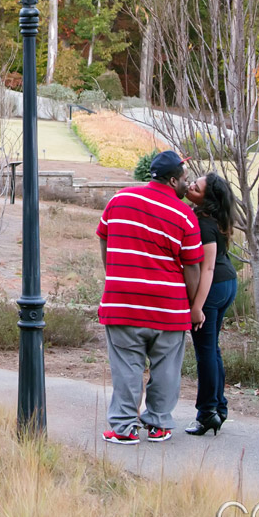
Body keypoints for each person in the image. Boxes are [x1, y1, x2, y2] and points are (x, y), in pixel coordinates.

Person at [95, 149, 204, 444]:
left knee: (126, 368)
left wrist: (115, 275)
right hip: (168, 308)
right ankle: (158, 424)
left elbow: (104, 238)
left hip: (122, 303)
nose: (187, 183)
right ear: (172, 180)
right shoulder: (185, 216)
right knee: (166, 368)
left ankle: (124, 428)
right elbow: (192, 267)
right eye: (184, 179)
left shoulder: (119, 200)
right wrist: (193, 304)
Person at [183, 172, 238, 436]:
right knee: (212, 349)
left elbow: (207, 269)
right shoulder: (211, 218)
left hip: (214, 287)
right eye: (192, 182)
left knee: (205, 351)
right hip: (226, 284)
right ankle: (219, 408)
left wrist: (196, 308)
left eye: (196, 187)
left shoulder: (204, 224)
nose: (190, 186)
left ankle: (206, 413)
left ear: (208, 198)